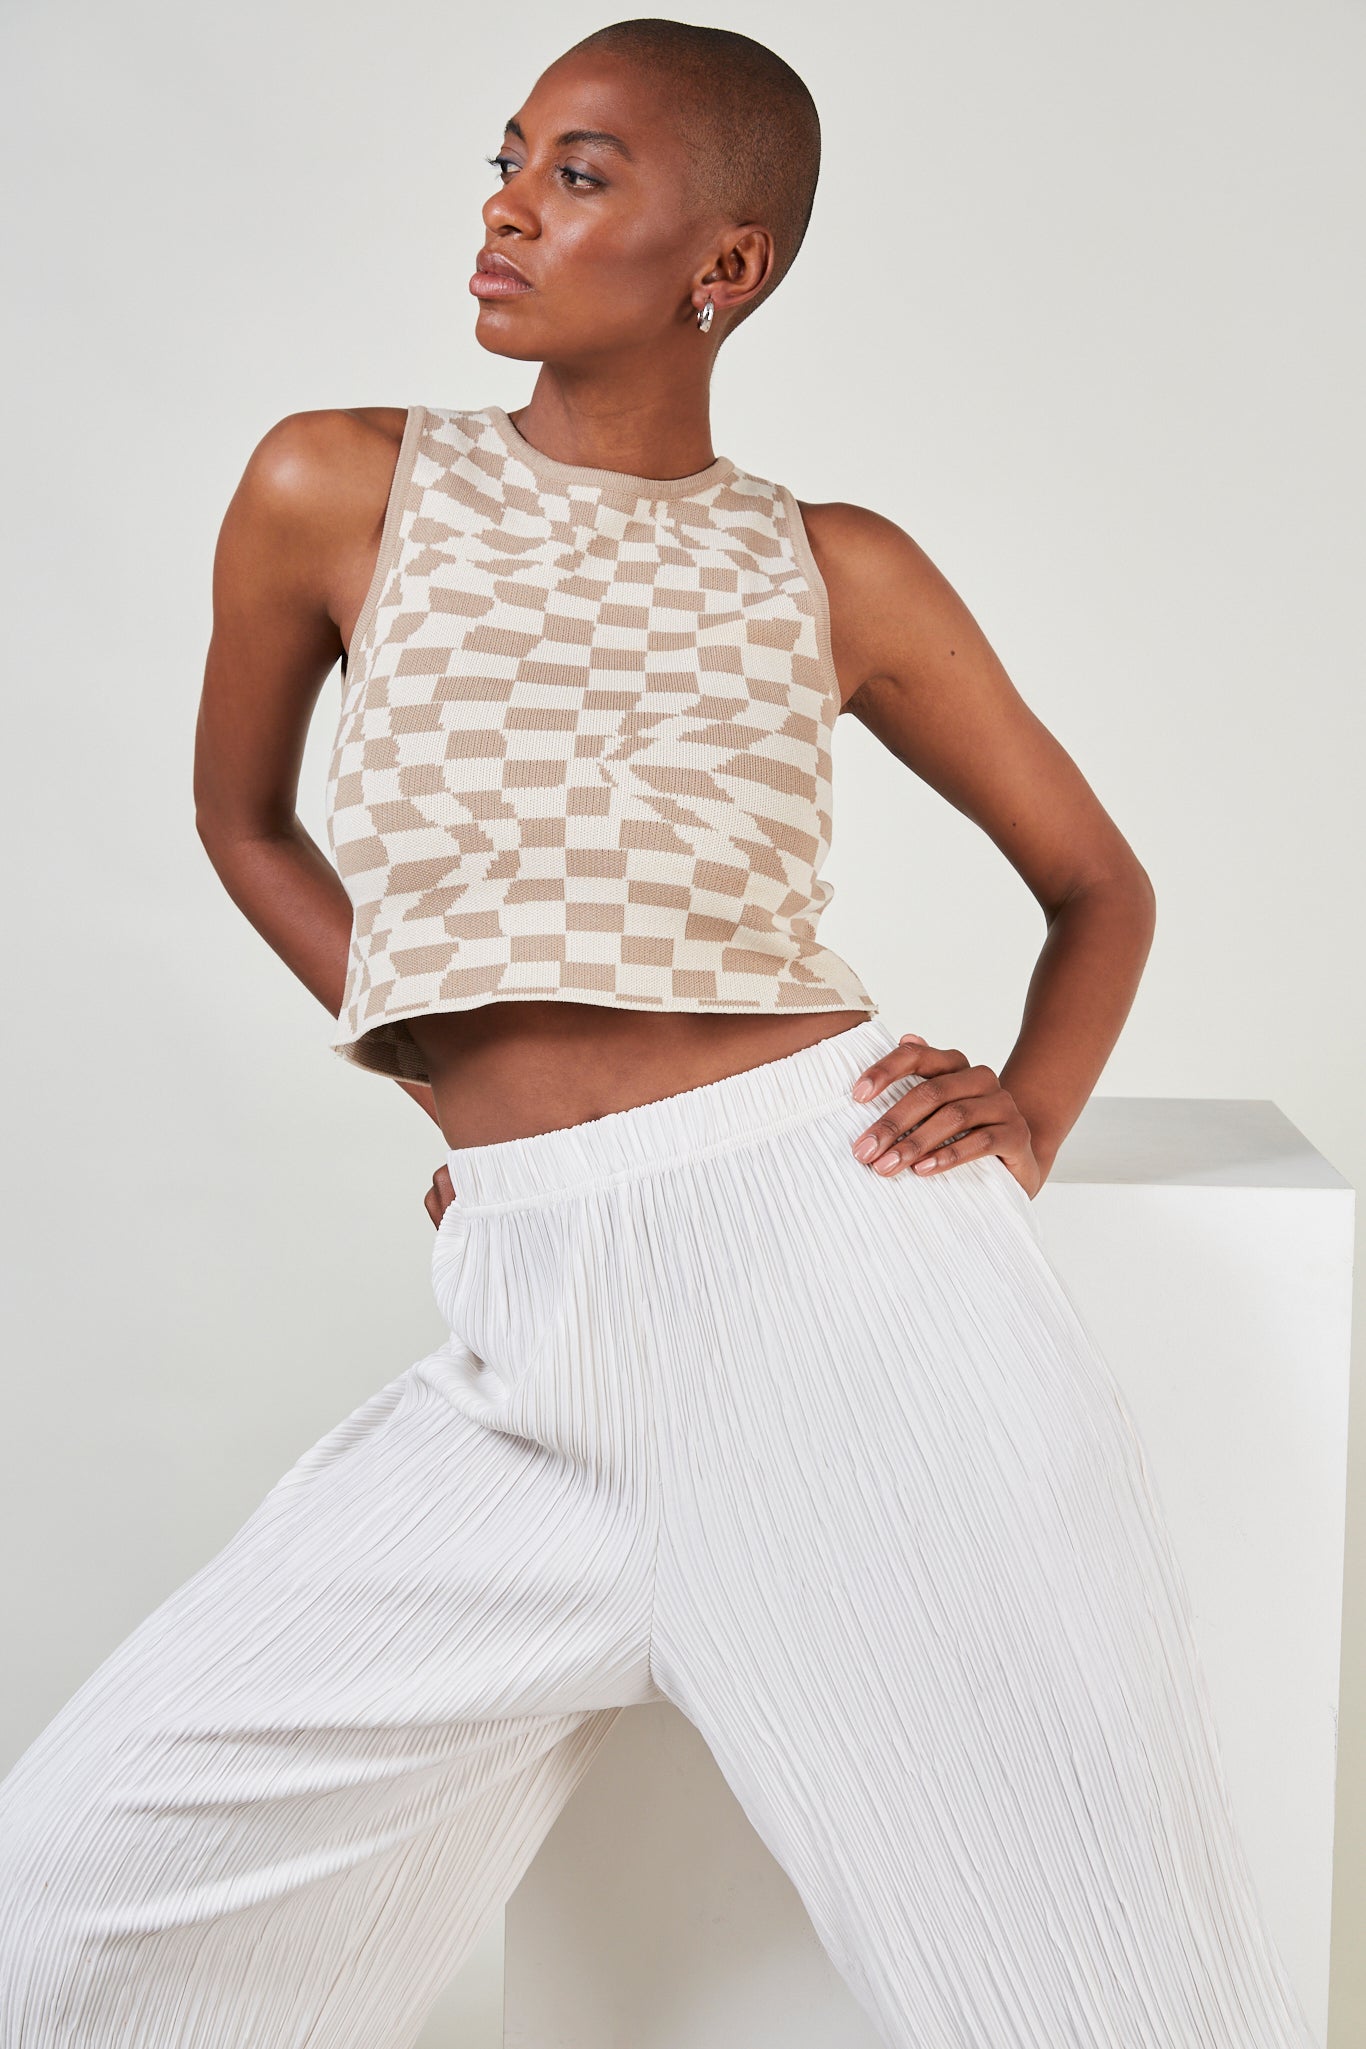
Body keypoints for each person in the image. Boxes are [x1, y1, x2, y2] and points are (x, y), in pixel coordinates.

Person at [0, 18, 1322, 2049]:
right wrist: (455, 1085)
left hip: (848, 1295)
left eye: (581, 171)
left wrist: (1027, 1118)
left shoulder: (831, 565)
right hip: (530, 1325)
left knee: (1092, 1998)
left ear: (726, 263)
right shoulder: (337, 481)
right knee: (78, 1904)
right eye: (509, 155)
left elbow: (1095, 883)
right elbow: (243, 822)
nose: (507, 204)